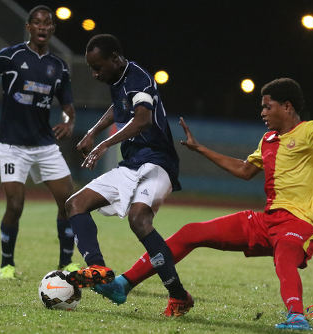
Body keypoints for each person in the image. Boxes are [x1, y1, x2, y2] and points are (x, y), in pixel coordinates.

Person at [92, 78, 313, 330]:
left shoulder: (310, 130)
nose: (262, 112)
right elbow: (244, 170)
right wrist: (200, 149)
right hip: (268, 221)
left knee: (284, 254)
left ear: (287, 107)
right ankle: (123, 285)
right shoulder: (268, 140)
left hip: (300, 221)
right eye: (262, 107)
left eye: (268, 106)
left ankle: (297, 317)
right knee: (191, 233)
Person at [63, 34, 193, 317]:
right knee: (75, 204)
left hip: (158, 162)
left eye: (98, 67)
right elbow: (120, 107)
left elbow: (142, 119)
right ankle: (97, 267)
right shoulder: (119, 80)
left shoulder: (138, 78)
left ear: (115, 58)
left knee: (139, 219)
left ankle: (178, 295)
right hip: (132, 163)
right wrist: (93, 131)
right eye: (91, 69)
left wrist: (103, 143)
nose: (95, 74)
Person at [0, 5, 79, 279]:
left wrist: (69, 122)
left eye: (48, 23)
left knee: (69, 203)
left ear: (52, 29)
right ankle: (7, 265)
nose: (43, 27)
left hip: (45, 145)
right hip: (12, 146)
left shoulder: (59, 66)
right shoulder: (10, 56)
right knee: (15, 205)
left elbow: (68, 106)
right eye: (37, 23)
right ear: (29, 27)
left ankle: (67, 263)